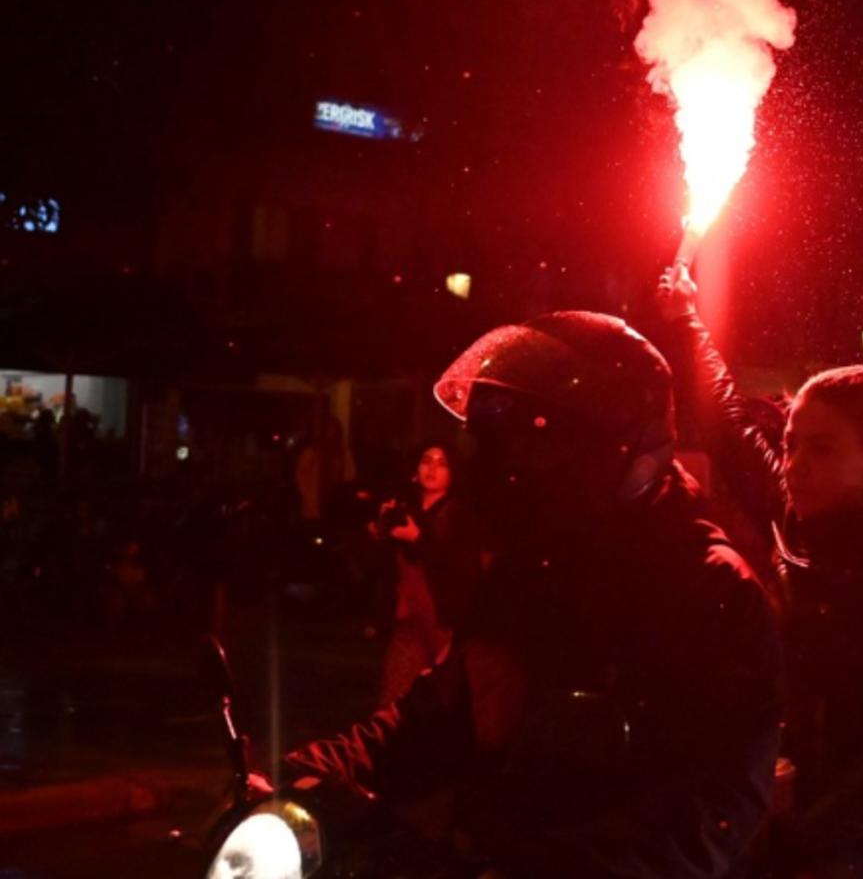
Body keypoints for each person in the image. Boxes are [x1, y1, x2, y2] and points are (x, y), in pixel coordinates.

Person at [285, 312, 782, 877]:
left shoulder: (711, 589)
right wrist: (309, 776)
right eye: (504, 445)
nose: (513, 468)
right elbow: (437, 714)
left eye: (538, 443)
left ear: (616, 448)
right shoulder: (532, 572)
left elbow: (715, 809)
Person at [656, 266, 863, 879]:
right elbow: (727, 425)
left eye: (820, 448)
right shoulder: (796, 514)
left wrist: (803, 842)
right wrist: (685, 320)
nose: (794, 464)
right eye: (793, 441)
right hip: (781, 804)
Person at [371, 442, 487, 706]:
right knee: (395, 700)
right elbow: (387, 567)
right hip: (409, 619)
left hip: (444, 622)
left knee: (445, 701)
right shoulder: (406, 509)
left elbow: (463, 564)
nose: (432, 468)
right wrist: (381, 531)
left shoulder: (459, 513)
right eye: (426, 460)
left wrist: (420, 539)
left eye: (442, 463)